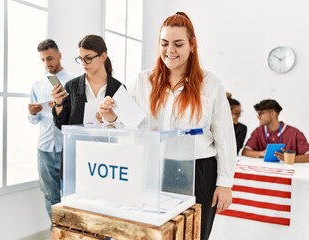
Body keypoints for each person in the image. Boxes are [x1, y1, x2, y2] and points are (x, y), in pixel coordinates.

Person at [99, 12, 237, 240]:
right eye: (164, 43)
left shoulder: (210, 84)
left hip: (198, 172)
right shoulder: (145, 80)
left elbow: (224, 138)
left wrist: (225, 184)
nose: (170, 50)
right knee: (153, 234)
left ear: (192, 45)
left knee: (193, 234)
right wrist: (110, 115)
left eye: (178, 44)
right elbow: (128, 124)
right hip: (154, 168)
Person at [28, 39, 74, 220]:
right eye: (43, 60)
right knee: (49, 195)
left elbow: (78, 117)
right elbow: (34, 121)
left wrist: (60, 106)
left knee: (71, 194)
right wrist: (32, 112)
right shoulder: (37, 84)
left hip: (67, 147)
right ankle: (56, 233)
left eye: (50, 58)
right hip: (44, 148)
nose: (47, 64)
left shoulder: (73, 82)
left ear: (59, 55)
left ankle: (72, 234)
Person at [51, 34, 124, 129]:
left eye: (88, 58)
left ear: (103, 56)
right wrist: (58, 102)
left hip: (107, 143)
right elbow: (61, 125)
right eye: (80, 59)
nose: (83, 63)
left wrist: (110, 121)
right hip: (77, 143)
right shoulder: (71, 86)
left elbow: (126, 126)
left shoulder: (119, 88)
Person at [242, 99, 309, 163]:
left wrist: (289, 159)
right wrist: (261, 153)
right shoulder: (258, 132)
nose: (258, 117)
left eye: (261, 113)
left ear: (272, 114)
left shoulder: (294, 133)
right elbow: (245, 152)